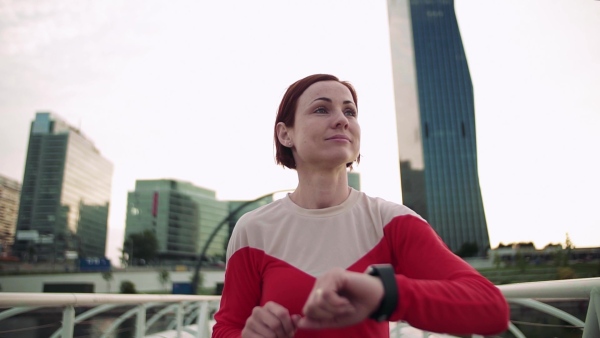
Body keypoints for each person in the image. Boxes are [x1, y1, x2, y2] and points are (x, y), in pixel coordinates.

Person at [212, 74, 509, 338]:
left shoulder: (391, 220)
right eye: (321, 109)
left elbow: (490, 307)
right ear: (284, 134)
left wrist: (385, 292)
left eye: (350, 111)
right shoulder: (253, 229)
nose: (342, 119)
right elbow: (226, 328)